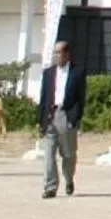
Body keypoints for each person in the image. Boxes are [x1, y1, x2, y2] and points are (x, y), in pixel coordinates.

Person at [36, 41, 85, 199]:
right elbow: (43, 97)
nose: (56, 56)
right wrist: (40, 119)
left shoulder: (77, 72)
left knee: (68, 153)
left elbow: (80, 98)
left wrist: (75, 118)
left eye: (59, 52)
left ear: (67, 54)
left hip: (66, 114)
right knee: (49, 153)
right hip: (50, 114)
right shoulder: (48, 73)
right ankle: (50, 186)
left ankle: (69, 178)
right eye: (55, 53)